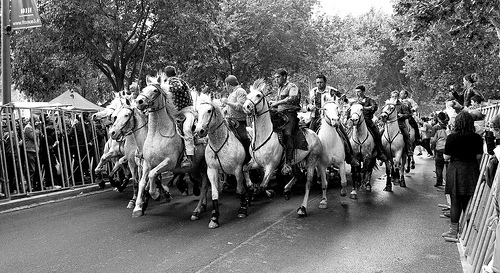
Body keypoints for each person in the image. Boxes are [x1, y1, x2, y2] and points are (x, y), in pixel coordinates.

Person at [442, 111, 483, 240]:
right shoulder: (477, 138)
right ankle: (469, 232)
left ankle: (453, 231)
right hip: (471, 170)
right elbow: (479, 156)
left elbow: (446, 156)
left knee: (455, 201)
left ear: (457, 123)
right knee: (469, 202)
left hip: (456, 170)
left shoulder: (452, 137)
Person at [307, 74, 358, 167]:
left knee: (343, 134)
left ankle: (350, 157)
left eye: (321, 82)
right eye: (317, 82)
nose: (319, 84)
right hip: (316, 117)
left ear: (325, 82)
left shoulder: (332, 90)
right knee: (308, 136)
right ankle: (307, 159)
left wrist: (348, 102)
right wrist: (310, 106)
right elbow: (309, 104)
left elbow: (343, 98)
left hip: (331, 118)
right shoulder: (313, 91)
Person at [269, 68, 301, 175]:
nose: (276, 79)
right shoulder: (279, 88)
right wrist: (273, 102)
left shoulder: (292, 87)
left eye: (278, 77)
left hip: (290, 114)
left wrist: (277, 103)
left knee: (287, 134)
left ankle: (288, 162)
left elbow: (292, 98)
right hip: (279, 114)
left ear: (284, 76)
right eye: (275, 78)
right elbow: (279, 103)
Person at [164, 65, 196, 168]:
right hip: (174, 113)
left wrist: (163, 87)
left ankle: (189, 157)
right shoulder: (167, 83)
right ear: (175, 72)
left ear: (166, 75)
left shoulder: (176, 82)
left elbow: (177, 88)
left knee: (186, 129)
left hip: (186, 111)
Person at [221, 75, 251, 163]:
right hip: (229, 121)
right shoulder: (231, 94)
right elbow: (228, 108)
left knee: (244, 137)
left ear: (228, 84)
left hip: (239, 122)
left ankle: (250, 158)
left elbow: (241, 107)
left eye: (225, 85)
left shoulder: (240, 91)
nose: (225, 87)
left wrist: (228, 102)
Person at [354, 85, 388, 162]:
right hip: (355, 121)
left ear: (363, 92)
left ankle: (380, 152)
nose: (357, 94)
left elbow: (375, 107)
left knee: (377, 134)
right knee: (346, 134)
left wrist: (365, 108)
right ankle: (349, 154)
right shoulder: (354, 101)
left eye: (358, 92)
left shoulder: (369, 100)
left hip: (367, 120)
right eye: (356, 92)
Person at [388, 91, 413, 156]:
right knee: (380, 132)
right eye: (392, 96)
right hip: (389, 123)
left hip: (400, 123)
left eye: (395, 96)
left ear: (398, 97)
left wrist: (402, 115)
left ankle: (409, 149)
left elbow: (408, 114)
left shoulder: (402, 105)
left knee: (407, 134)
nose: (394, 98)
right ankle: (381, 151)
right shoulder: (388, 105)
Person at [430, 112, 449, 187]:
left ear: (438, 118)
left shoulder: (435, 128)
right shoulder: (449, 126)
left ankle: (439, 181)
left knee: (438, 166)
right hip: (448, 148)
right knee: (448, 166)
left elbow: (433, 140)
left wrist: (432, 145)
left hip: (439, 149)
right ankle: (449, 182)